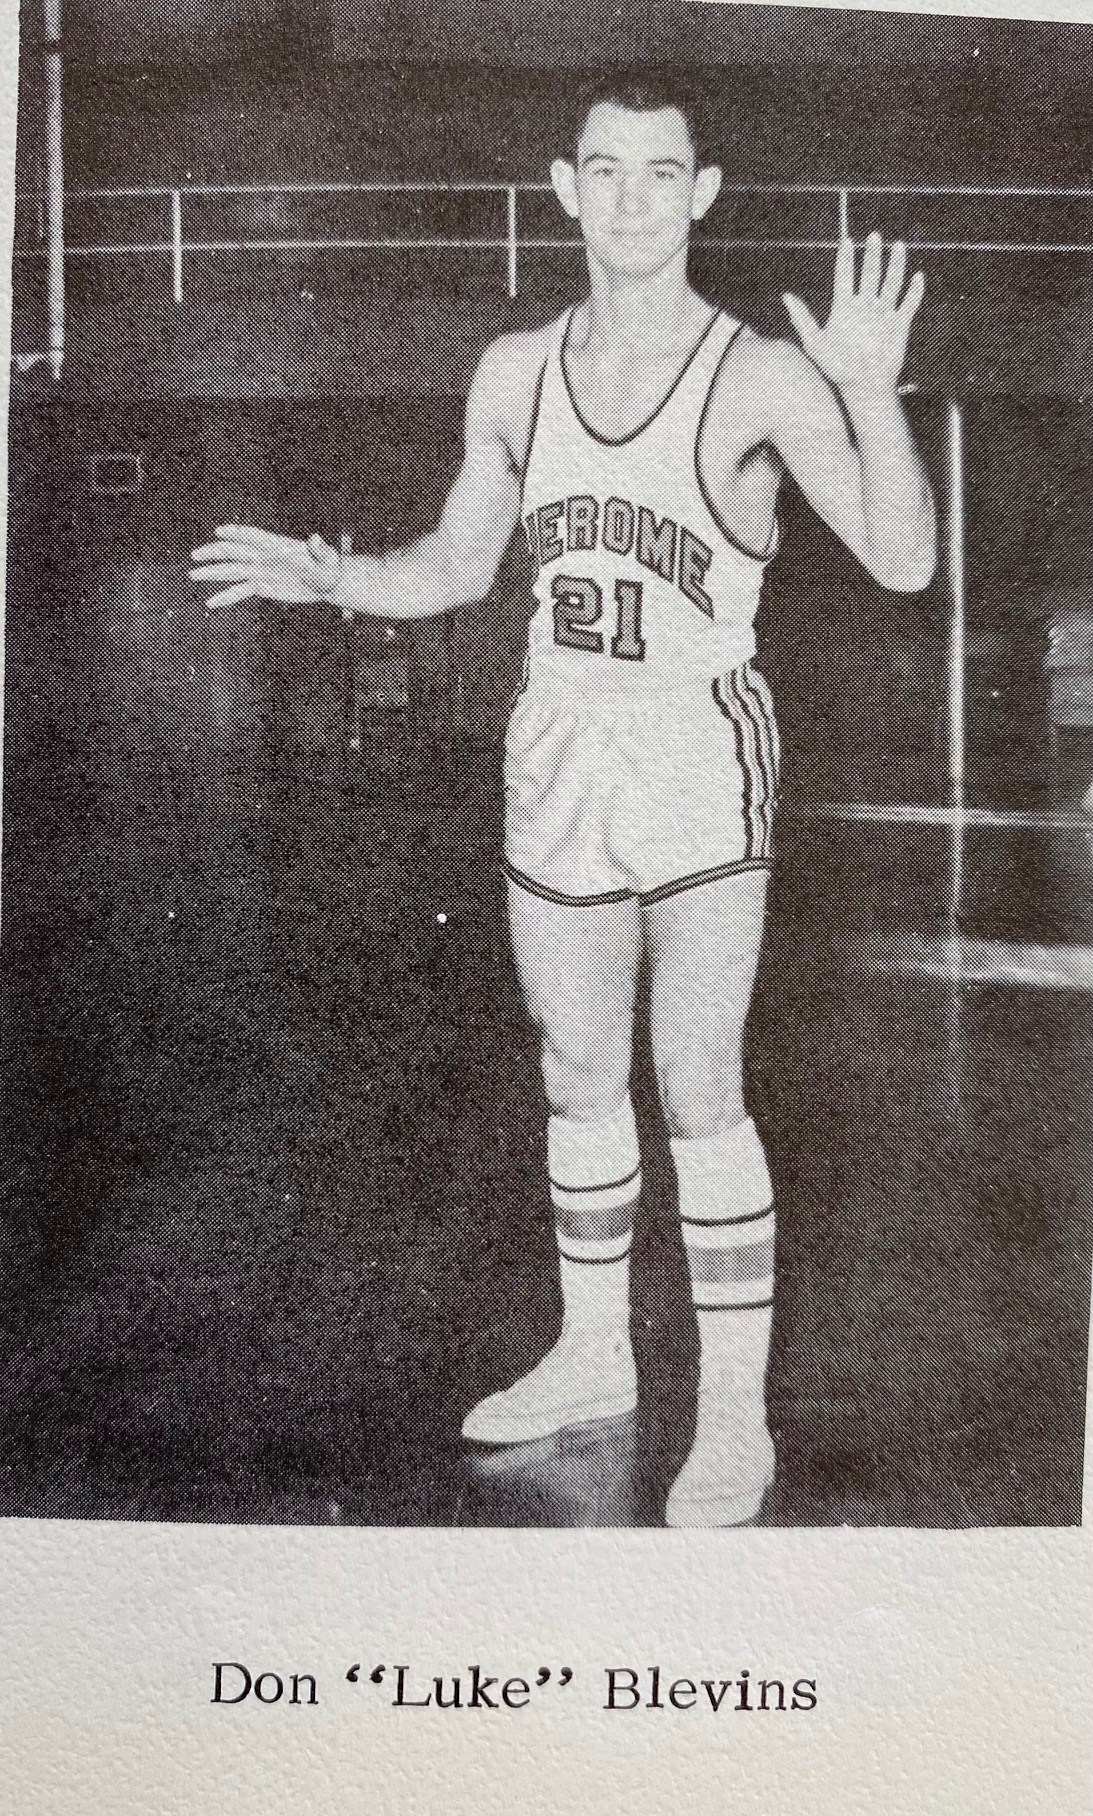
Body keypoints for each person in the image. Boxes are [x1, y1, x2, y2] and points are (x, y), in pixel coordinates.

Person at [191, 74, 937, 1526]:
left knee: (698, 1082)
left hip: (696, 744)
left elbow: (902, 560)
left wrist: (863, 388)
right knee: (577, 1072)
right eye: (608, 171)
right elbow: (455, 568)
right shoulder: (514, 373)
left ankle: (733, 1421)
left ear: (701, 194)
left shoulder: (757, 376)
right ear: (565, 189)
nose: (634, 200)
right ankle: (596, 1358)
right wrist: (334, 578)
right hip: (559, 743)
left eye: (662, 174)